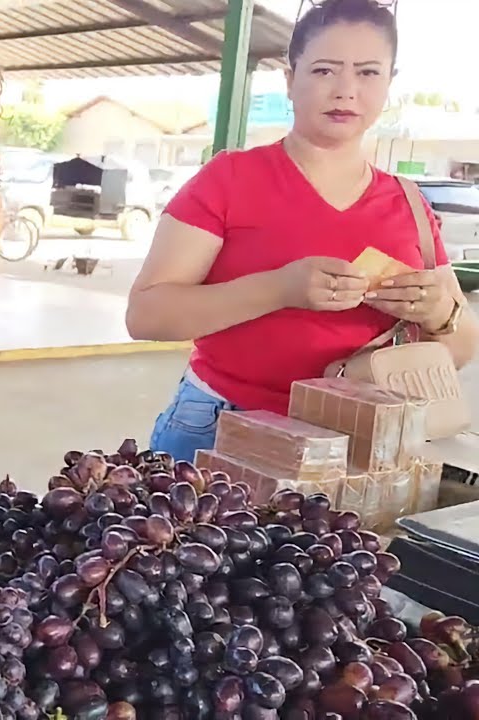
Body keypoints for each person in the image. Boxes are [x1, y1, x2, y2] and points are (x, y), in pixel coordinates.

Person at [125, 0, 477, 462]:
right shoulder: (230, 179)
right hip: (222, 425)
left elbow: (462, 345)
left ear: (389, 85)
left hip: (354, 438)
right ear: (291, 81)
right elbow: (146, 315)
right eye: (324, 70)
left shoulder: (408, 204)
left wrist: (438, 313)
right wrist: (279, 288)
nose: (346, 91)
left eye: (368, 73)